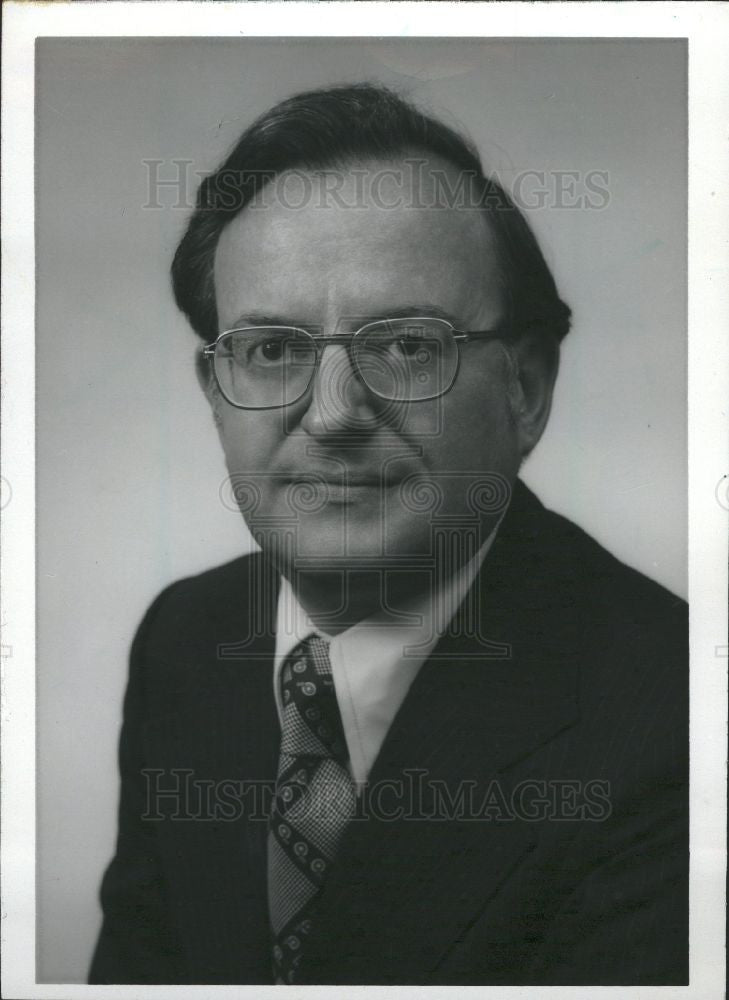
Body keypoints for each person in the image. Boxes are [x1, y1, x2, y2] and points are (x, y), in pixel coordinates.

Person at [89, 83, 688, 986]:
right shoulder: (185, 638)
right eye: (271, 349)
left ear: (524, 390)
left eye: (406, 345)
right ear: (214, 392)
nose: (332, 414)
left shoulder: (676, 716)